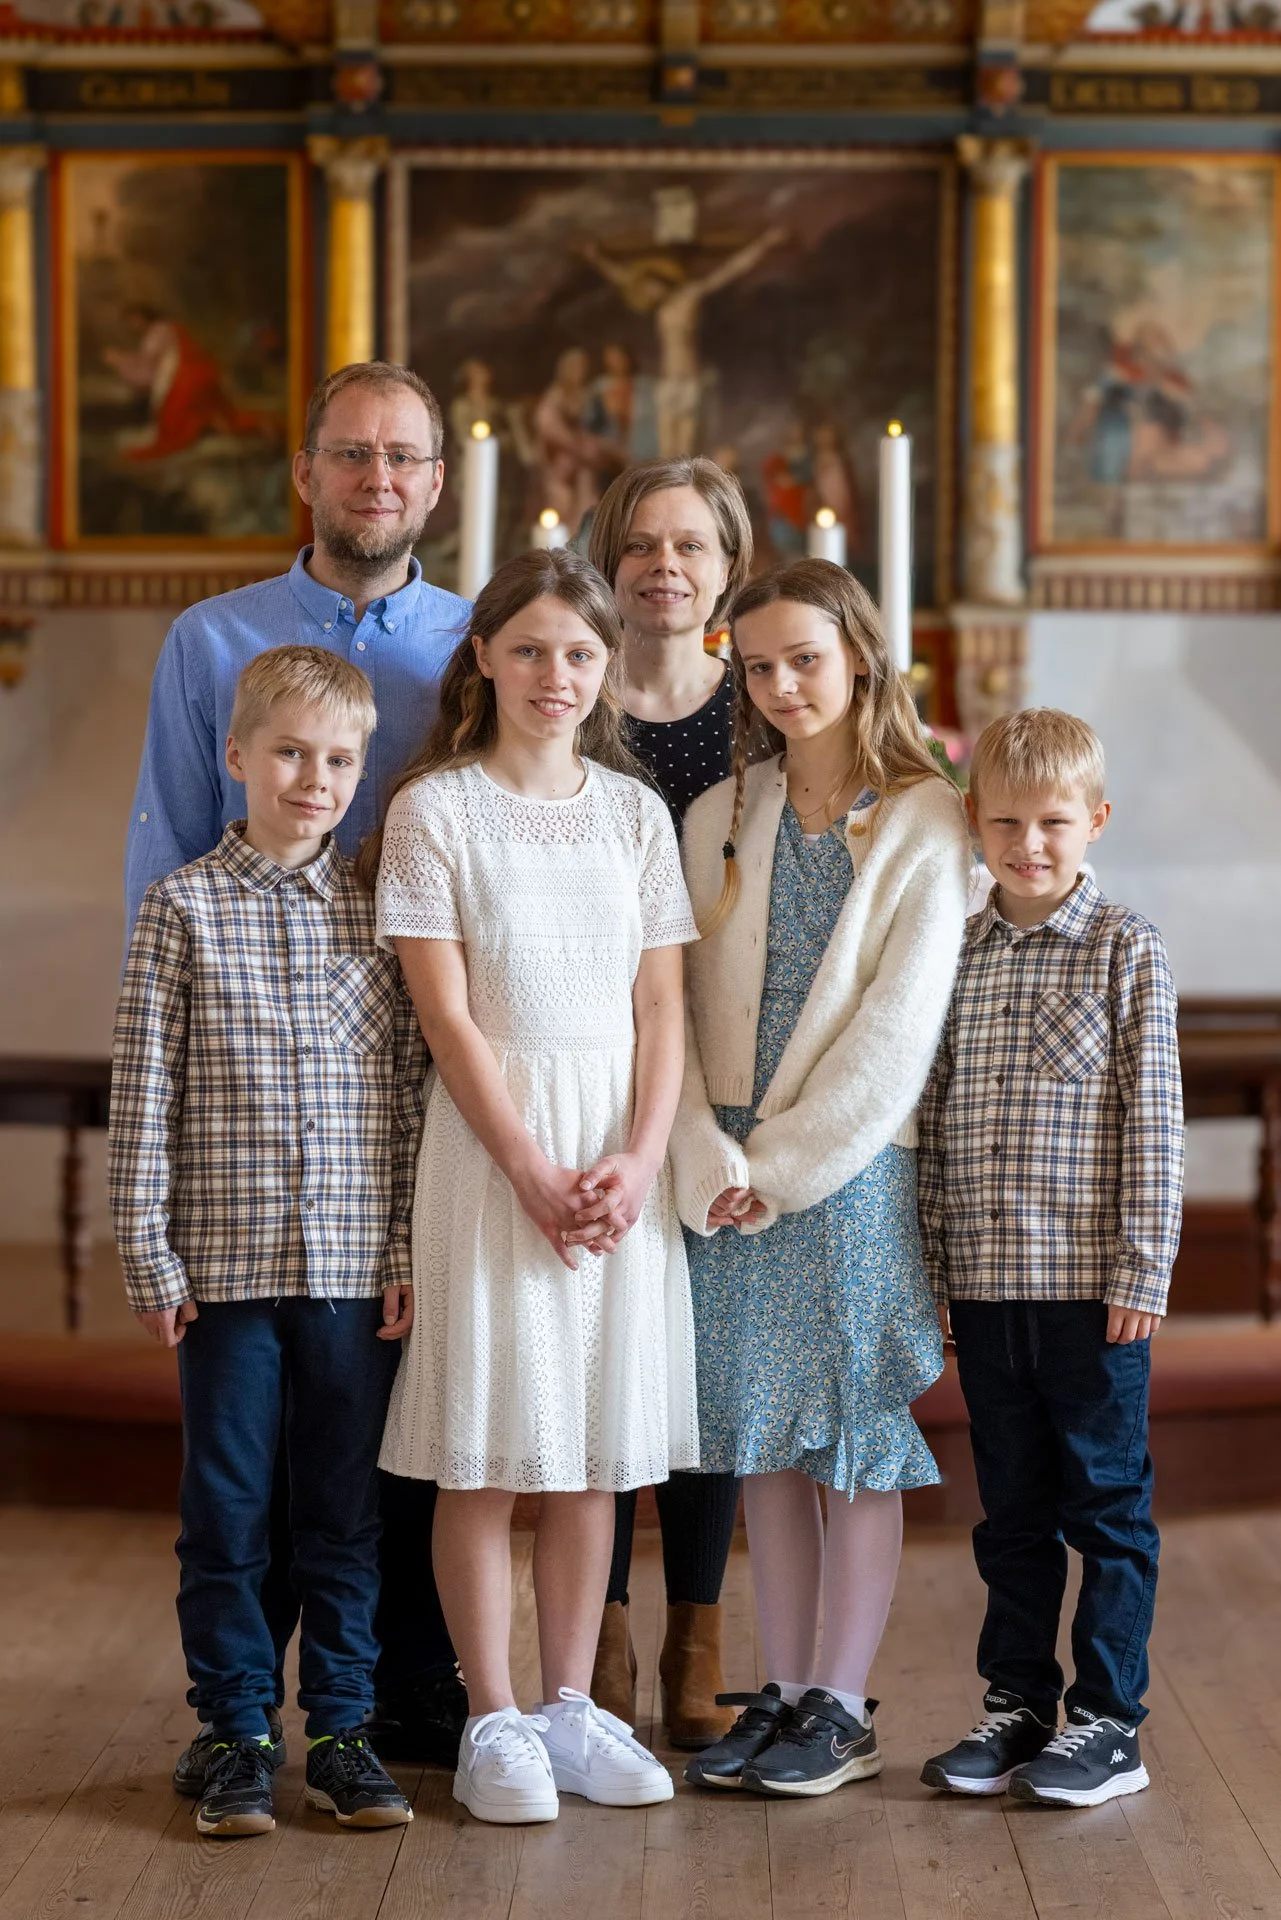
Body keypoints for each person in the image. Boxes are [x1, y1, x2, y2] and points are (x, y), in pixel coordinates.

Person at [123, 359, 469, 1788]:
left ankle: (365, 1709)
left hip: (378, 1141)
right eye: (351, 453)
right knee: (232, 1492)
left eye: (404, 456)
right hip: (230, 1177)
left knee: (360, 1477)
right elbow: (166, 842)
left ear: (434, 481)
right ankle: (235, 1723)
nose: (377, 478)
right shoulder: (212, 641)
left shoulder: (473, 640)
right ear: (308, 472)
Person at [361, 547, 699, 1825]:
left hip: (613, 1151)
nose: (556, 675)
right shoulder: (436, 810)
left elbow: (660, 1005)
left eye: (580, 653)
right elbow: (444, 1016)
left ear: (607, 666)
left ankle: (570, 1707)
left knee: (589, 1456)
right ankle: (493, 1716)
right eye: (531, 650)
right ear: (485, 659)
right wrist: (529, 1170)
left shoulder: (634, 814)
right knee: (486, 1449)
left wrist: (639, 1155)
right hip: (494, 1146)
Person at [670, 558, 970, 1796]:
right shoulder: (718, 812)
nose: (784, 685)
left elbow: (900, 1027)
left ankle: (844, 1705)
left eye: (806, 659)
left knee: (850, 1436)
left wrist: (782, 1168)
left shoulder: (926, 816)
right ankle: (785, 1691)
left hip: (843, 1164)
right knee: (765, 1438)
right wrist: (707, 1154)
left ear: (858, 654)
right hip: (726, 1164)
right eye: (759, 667)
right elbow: (675, 1006)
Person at [109, 647, 418, 1838]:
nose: (313, 779)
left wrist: (403, 1250)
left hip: (350, 1274)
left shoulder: (379, 913)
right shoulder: (181, 908)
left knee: (343, 1513)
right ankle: (235, 1729)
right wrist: (149, 1255)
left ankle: (342, 1728)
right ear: (237, 756)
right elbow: (145, 1093)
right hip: (224, 1276)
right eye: (290, 753)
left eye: (338, 760)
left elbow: (406, 1094)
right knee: (228, 1511)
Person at [918, 708, 1183, 1809]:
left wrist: (1142, 1271)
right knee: (1011, 1514)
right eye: (1007, 823)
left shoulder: (1126, 948)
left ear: (1096, 821)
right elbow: (930, 1119)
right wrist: (933, 1271)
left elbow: (1153, 1124)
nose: (1029, 845)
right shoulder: (954, 953)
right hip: (985, 1290)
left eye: (1054, 823)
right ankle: (1018, 1706)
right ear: (973, 821)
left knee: (1106, 1509)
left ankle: (1109, 1724)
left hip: (1089, 1295)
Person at [585, 455, 752, 1749]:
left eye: (690, 544)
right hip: (595, 1058)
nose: (664, 566)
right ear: (608, 561)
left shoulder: (764, 710)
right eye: (641, 544)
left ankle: (698, 1633)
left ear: (728, 565)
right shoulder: (571, 696)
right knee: (601, 1349)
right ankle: (598, 1629)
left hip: (729, 1070)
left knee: (707, 1364)